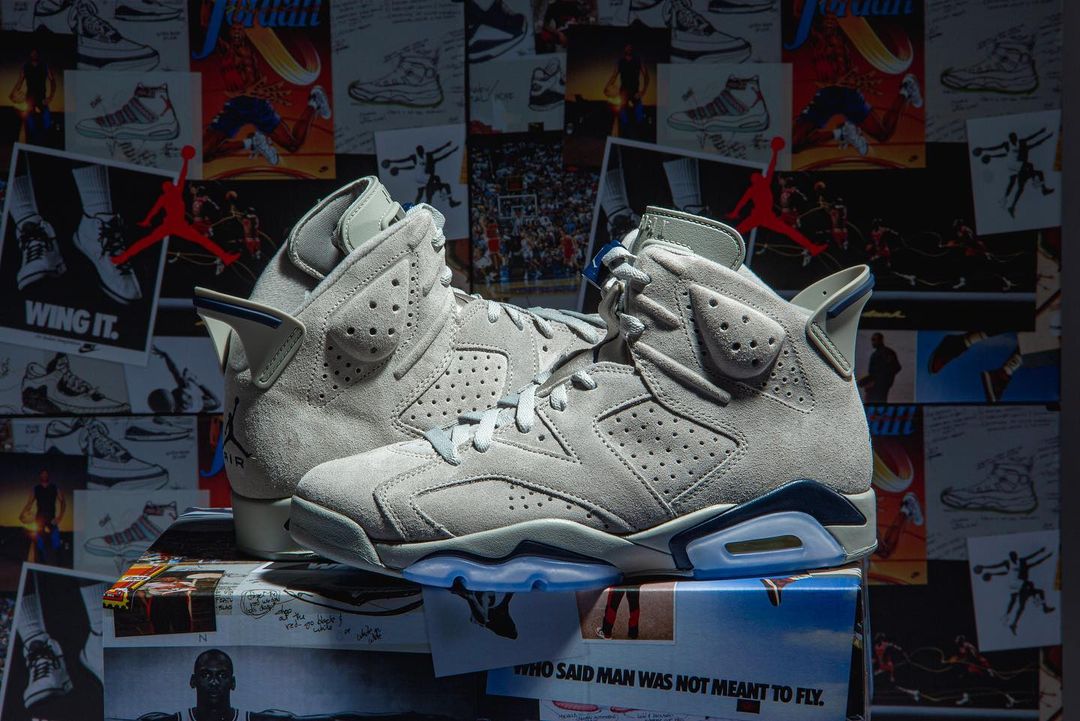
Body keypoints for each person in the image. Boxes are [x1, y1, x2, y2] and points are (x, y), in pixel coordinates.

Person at [9, 47, 56, 145]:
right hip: (29, 99)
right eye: (32, 53)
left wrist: (50, 97)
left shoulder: (45, 66)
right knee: (29, 125)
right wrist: (12, 93)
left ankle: (45, 144)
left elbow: (52, 81)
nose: (34, 55)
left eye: (36, 53)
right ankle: (30, 145)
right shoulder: (25, 67)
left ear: (38, 54)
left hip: (42, 99)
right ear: (30, 54)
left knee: (47, 123)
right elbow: (19, 82)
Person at [19, 469, 64, 565]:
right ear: (40, 476)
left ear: (48, 476)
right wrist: (22, 514)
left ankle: (59, 564)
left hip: (51, 518)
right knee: (39, 542)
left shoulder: (55, 488)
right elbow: (29, 503)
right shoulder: (35, 489)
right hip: (39, 519)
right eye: (42, 474)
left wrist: (60, 517)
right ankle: (41, 563)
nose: (44, 475)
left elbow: (63, 502)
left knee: (56, 541)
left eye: (46, 474)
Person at [605, 44, 648, 130]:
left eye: (630, 47)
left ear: (632, 49)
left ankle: (640, 131)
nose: (628, 49)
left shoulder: (638, 60)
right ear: (624, 49)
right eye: (627, 47)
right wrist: (606, 87)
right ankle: (624, 131)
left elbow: (646, 76)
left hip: (635, 92)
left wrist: (643, 91)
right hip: (623, 93)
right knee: (623, 119)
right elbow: (614, 76)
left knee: (639, 117)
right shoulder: (620, 62)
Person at [859, 332, 902, 402]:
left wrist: (880, 382)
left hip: (880, 387)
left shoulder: (888, 353)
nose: (872, 342)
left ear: (880, 340)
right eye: (872, 340)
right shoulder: (875, 354)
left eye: (874, 340)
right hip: (874, 385)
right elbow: (873, 373)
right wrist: (865, 381)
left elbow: (896, 367)